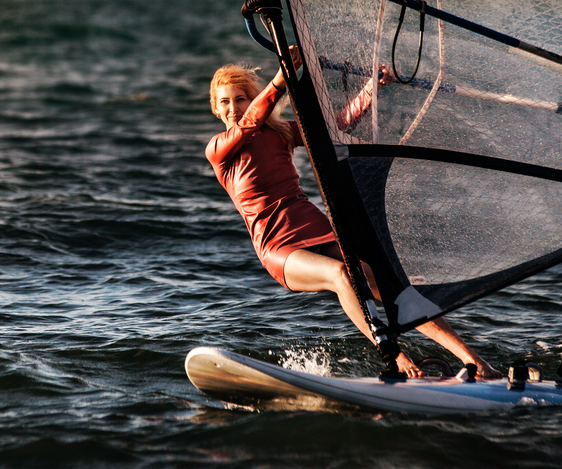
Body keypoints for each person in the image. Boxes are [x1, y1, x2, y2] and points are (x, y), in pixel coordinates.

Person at [206, 48, 500, 379]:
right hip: (279, 248)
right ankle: (393, 354)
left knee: (385, 283)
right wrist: (280, 78)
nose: (234, 108)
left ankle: (474, 360)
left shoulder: (281, 133)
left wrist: (371, 89)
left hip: (314, 226)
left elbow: (336, 126)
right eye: (226, 102)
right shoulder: (219, 150)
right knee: (341, 275)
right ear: (216, 110)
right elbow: (248, 125)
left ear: (251, 99)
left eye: (241, 99)